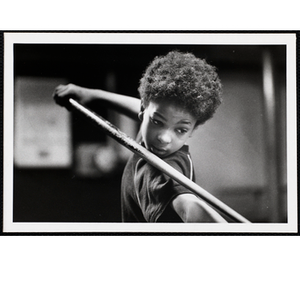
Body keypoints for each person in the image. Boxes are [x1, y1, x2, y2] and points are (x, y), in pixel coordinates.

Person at [53, 50, 227, 223]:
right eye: (158, 122)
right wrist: (93, 95)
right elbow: (142, 108)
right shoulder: (149, 133)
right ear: (144, 112)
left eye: (180, 130)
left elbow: (189, 205)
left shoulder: (164, 169)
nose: (164, 138)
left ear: (192, 130)